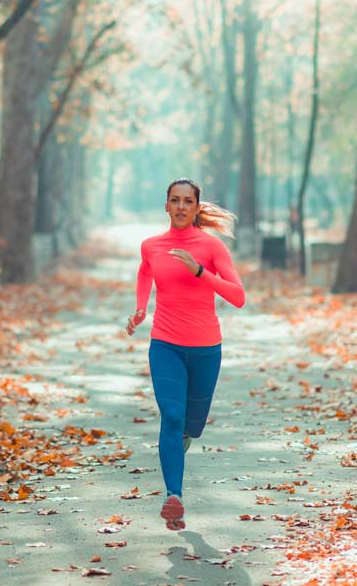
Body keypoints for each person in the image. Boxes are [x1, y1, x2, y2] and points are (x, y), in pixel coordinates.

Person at [125, 178, 246, 531]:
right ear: (166, 206)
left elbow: (238, 297)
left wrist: (199, 271)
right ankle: (173, 497)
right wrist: (139, 309)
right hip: (165, 344)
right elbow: (145, 271)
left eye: (187, 201)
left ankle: (184, 441)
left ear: (196, 207)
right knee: (172, 417)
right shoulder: (151, 246)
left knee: (192, 424)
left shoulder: (211, 248)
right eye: (174, 200)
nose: (180, 206)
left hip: (206, 348)